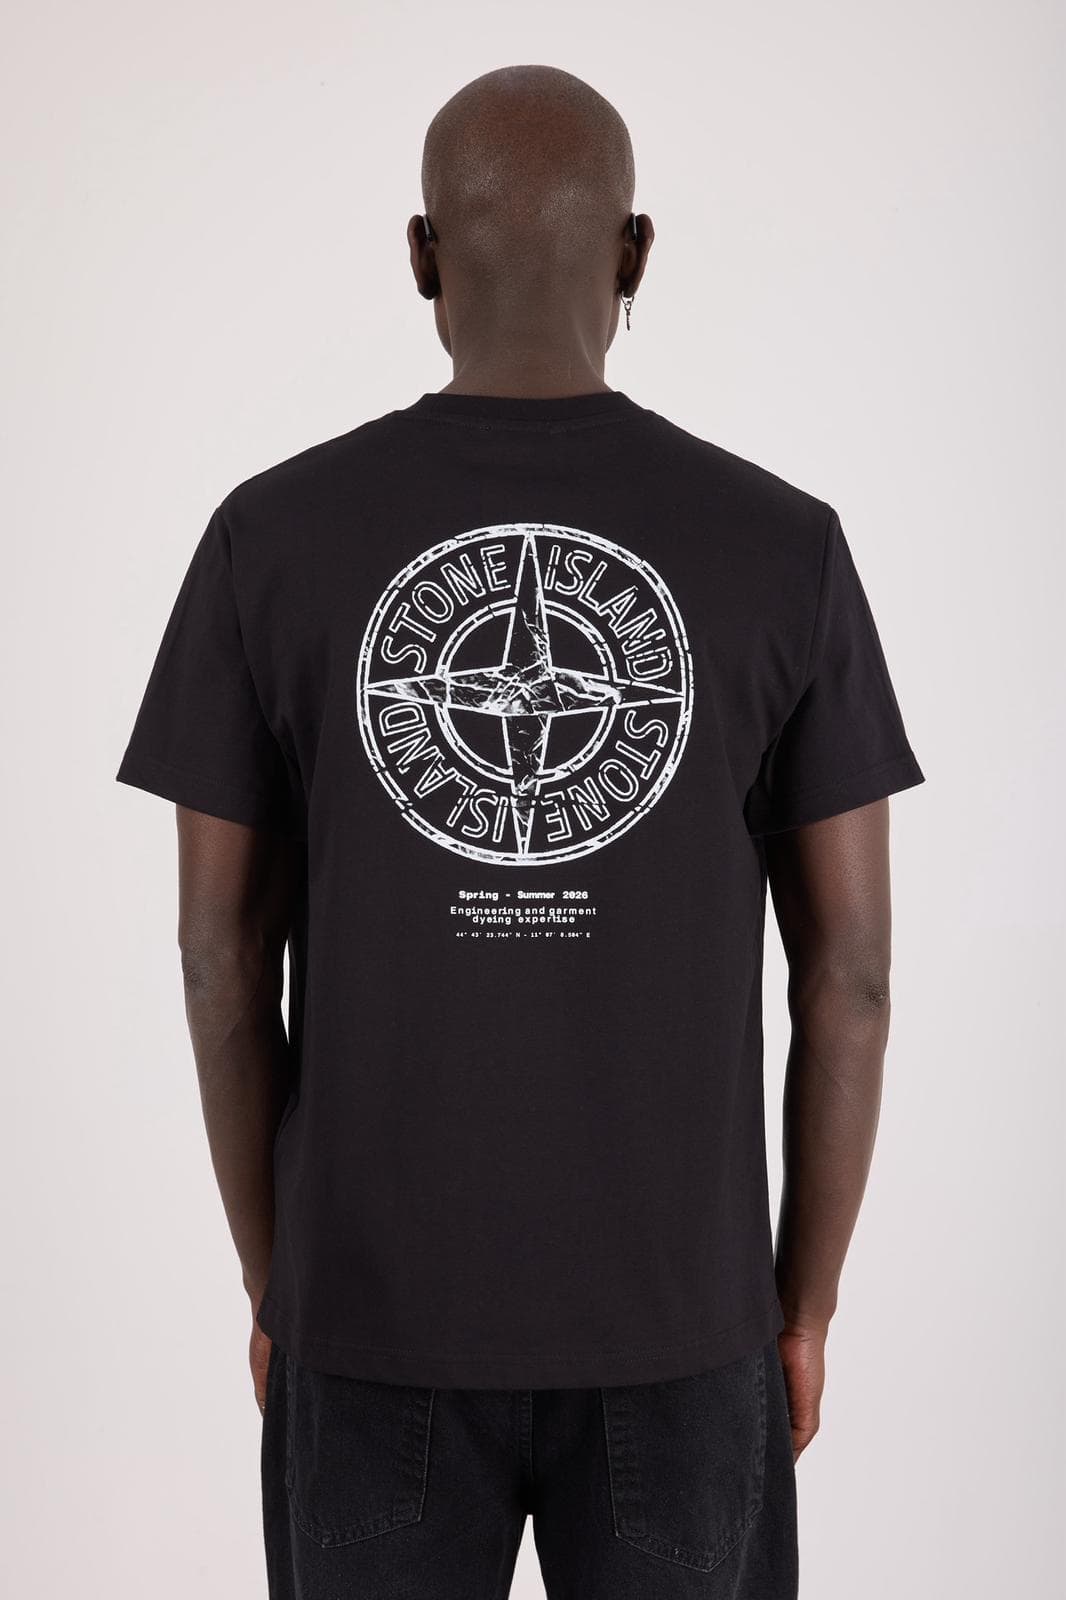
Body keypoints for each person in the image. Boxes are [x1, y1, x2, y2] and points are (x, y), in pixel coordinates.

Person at [117, 62, 925, 1600]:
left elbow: (219, 960)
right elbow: (854, 977)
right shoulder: (782, 547)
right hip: (684, 1330)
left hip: (367, 1324)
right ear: (633, 253)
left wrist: (284, 1282)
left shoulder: (268, 538)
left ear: (421, 255)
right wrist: (799, 1307)